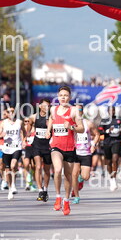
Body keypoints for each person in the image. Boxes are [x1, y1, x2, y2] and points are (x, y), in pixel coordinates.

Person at [47, 85, 84, 216]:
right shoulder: (53, 109)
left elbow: (82, 128)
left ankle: (66, 200)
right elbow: (51, 119)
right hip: (56, 146)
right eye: (61, 95)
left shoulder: (74, 111)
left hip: (69, 147)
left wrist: (71, 127)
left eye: (66, 95)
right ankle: (58, 197)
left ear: (70, 97)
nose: (63, 98)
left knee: (68, 176)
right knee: (57, 170)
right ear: (58, 97)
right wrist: (48, 130)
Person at [0, 106, 25, 200]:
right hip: (6, 149)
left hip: (17, 147)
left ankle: (14, 185)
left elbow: (24, 132)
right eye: (9, 112)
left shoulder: (19, 122)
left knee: (13, 166)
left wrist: (24, 140)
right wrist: (1, 135)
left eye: (13, 111)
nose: (11, 113)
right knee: (7, 170)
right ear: (6, 114)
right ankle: (10, 188)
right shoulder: (3, 123)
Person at [72, 109, 99, 204]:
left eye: (79, 110)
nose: (77, 113)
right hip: (75, 153)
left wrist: (93, 145)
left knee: (86, 177)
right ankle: (76, 196)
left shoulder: (88, 123)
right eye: (75, 111)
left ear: (82, 112)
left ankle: (81, 179)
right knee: (74, 175)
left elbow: (97, 134)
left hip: (86, 153)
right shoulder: (71, 124)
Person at [29, 98, 52, 202]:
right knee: (38, 166)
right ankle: (40, 190)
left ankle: (45, 189)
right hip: (37, 144)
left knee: (47, 169)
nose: (47, 108)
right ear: (40, 106)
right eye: (45, 105)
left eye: (48, 106)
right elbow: (29, 125)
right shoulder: (34, 117)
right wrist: (27, 135)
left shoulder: (51, 118)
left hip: (47, 145)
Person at [101, 106, 121, 191]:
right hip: (107, 142)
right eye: (110, 110)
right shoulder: (104, 120)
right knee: (108, 162)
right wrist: (107, 131)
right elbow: (100, 131)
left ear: (115, 111)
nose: (112, 112)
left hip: (116, 141)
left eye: (113, 110)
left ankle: (114, 178)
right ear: (108, 111)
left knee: (115, 159)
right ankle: (111, 177)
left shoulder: (119, 119)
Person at [22, 117, 37, 192]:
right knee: (26, 164)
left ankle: (32, 182)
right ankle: (27, 183)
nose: (27, 122)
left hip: (34, 148)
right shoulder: (23, 128)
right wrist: (23, 141)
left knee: (33, 166)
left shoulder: (35, 128)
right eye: (25, 121)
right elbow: (22, 137)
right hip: (26, 148)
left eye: (28, 121)